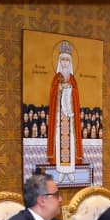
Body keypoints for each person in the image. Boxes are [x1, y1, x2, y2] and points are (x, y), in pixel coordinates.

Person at [46, 40, 84, 172]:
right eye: (62, 60)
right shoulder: (56, 78)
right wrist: (59, 88)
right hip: (58, 118)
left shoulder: (73, 79)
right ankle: (59, 169)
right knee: (58, 141)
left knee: (71, 142)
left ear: (70, 62)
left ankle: (70, 169)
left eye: (67, 60)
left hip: (70, 119)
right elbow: (52, 94)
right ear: (59, 61)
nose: (65, 63)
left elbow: (76, 97)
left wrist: (71, 90)